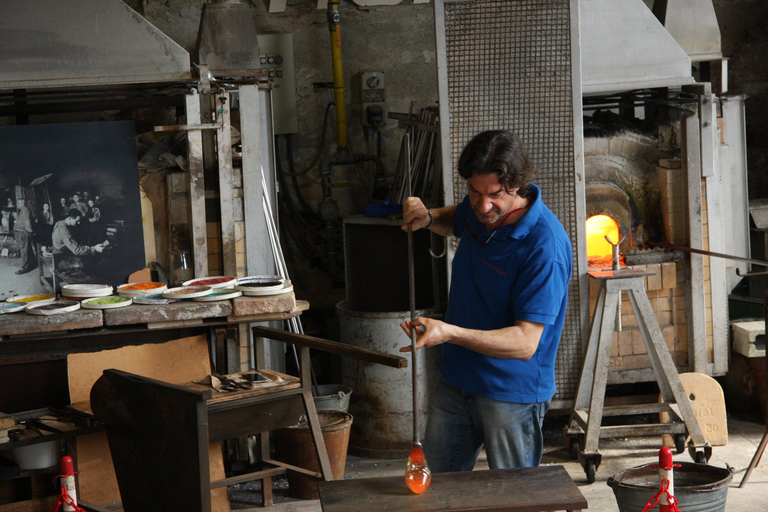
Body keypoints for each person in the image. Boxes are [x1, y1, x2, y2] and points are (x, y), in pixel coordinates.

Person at [400, 129, 572, 472]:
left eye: (494, 195)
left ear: (518, 185)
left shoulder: (544, 247)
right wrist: (430, 217)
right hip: (457, 379)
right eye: (474, 191)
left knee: (514, 499)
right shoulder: (480, 210)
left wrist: (449, 333)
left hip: (510, 392)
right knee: (437, 490)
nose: (482, 204)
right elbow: (460, 218)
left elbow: (525, 343)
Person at [13, 197, 37, 274]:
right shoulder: (22, 211)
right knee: (26, 249)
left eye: (18, 203)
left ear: (22, 203)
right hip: (20, 233)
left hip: (23, 234)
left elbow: (27, 224)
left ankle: (24, 268)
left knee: (24, 250)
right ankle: (31, 264)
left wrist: (31, 232)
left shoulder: (25, 211)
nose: (17, 205)